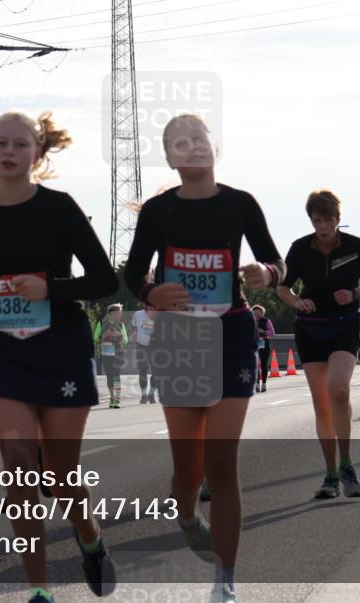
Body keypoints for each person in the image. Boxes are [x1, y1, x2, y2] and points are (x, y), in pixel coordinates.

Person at [0, 111, 119, 603]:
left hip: (62, 346)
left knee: (62, 478)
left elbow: (106, 280)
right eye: (0, 142)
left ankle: (90, 538)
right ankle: (39, 589)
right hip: (5, 350)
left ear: (37, 155)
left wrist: (51, 287)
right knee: (20, 470)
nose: (8, 151)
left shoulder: (60, 209)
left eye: (20, 144)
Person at [124, 113, 285, 603]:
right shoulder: (158, 212)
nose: (192, 147)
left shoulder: (240, 204)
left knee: (222, 462)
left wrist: (266, 274)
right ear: (171, 158)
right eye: (180, 143)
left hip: (232, 331)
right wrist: (153, 292)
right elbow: (132, 274)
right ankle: (188, 514)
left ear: (214, 147)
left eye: (199, 139)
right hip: (179, 338)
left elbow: (277, 261)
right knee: (188, 470)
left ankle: (225, 579)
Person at [276, 189, 360, 500]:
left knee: (338, 389)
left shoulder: (355, 246)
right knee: (322, 404)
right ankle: (329, 475)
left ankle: (347, 465)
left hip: (344, 325)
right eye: (317, 220)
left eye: (328, 220)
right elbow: (283, 288)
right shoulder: (300, 248)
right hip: (310, 329)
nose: (322, 226)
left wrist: (356, 294)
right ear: (311, 220)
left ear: (338, 220)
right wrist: (298, 302)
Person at [94, 304, 128, 408]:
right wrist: (106, 334)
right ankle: (112, 397)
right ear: (112, 313)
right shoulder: (101, 323)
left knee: (116, 375)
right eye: (119, 312)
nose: (120, 314)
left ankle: (117, 399)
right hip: (107, 353)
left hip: (118, 353)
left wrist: (118, 335)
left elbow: (126, 340)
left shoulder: (121, 324)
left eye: (120, 312)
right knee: (109, 377)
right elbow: (95, 338)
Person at [130, 304, 157, 403]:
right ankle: (143, 395)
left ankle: (152, 394)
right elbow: (134, 325)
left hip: (155, 346)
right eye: (149, 305)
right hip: (141, 345)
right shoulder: (138, 314)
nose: (152, 307)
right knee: (143, 369)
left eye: (153, 305)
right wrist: (134, 332)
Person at [252, 304, 275, 392]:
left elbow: (272, 333)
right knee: (255, 365)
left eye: (258, 313)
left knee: (263, 365)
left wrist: (263, 331)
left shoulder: (266, 320)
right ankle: (257, 384)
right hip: (254, 344)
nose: (256, 315)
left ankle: (264, 384)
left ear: (262, 313)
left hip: (264, 343)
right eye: (254, 314)